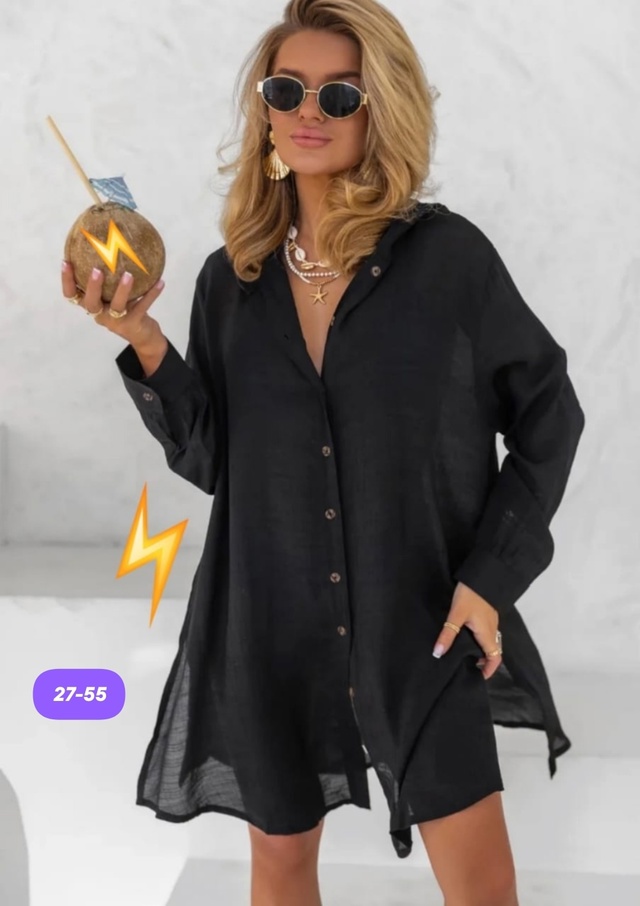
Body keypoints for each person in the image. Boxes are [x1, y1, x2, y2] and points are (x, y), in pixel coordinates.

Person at [60, 1, 586, 903]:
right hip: (270, 619)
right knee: (279, 861)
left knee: (479, 883)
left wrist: (489, 579)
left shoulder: (448, 262)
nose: (309, 110)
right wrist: (145, 340)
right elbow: (219, 461)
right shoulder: (232, 282)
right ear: (263, 110)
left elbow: (549, 416)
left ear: (380, 111)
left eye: (339, 94)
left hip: (422, 615)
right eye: (287, 89)